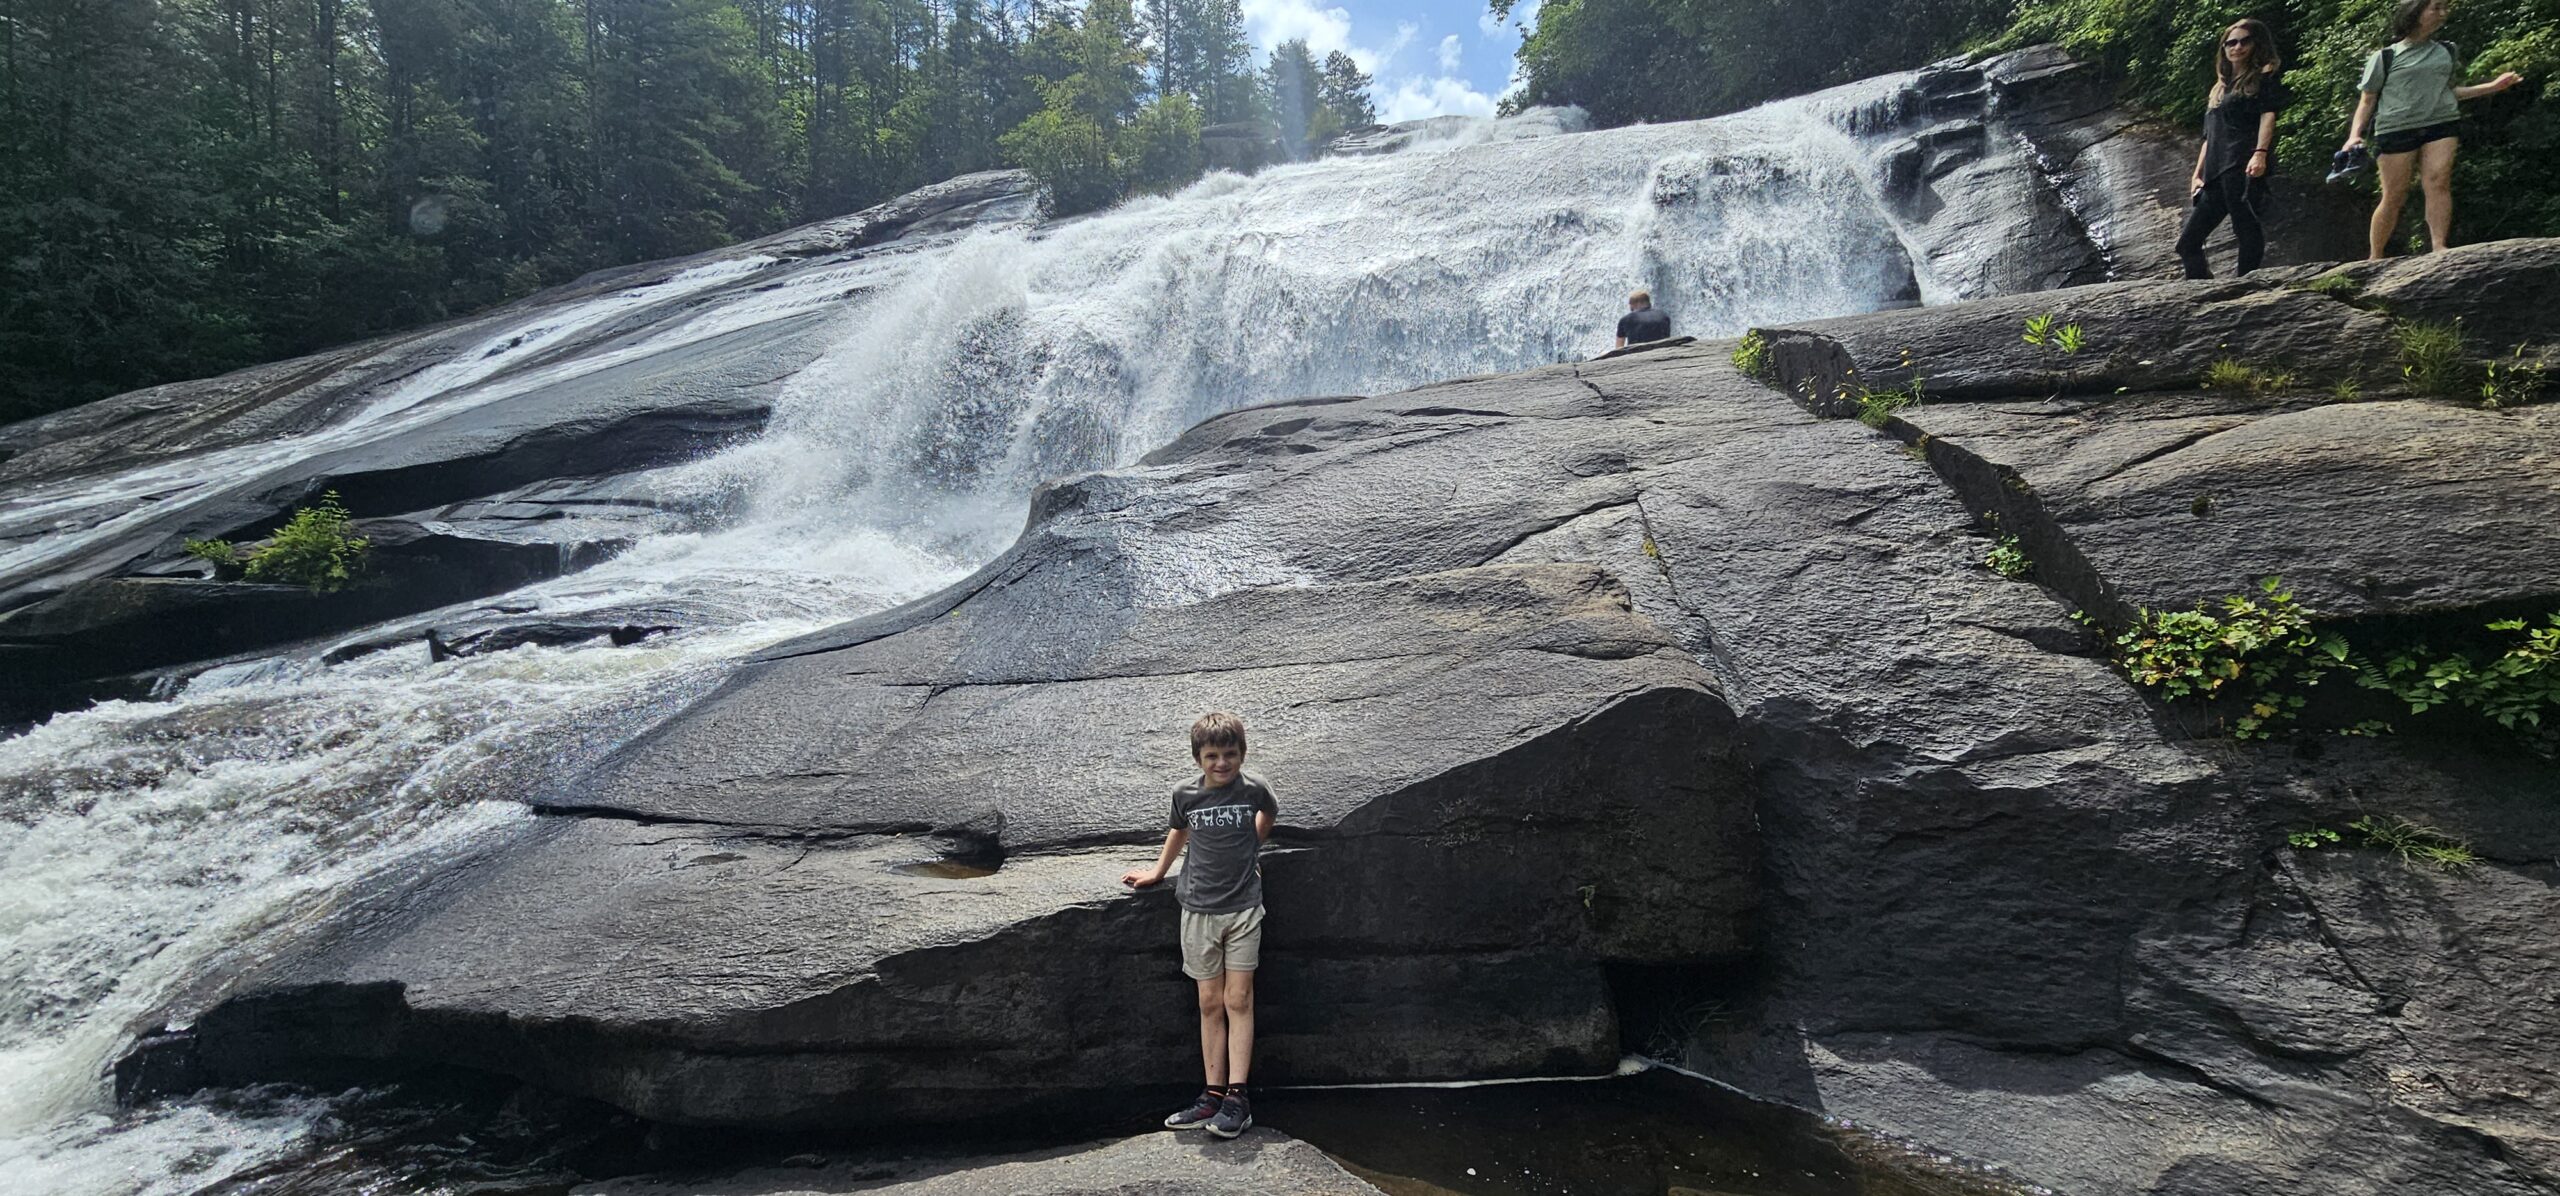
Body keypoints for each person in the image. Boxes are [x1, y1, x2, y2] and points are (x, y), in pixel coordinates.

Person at [1120, 711, 1278, 1140]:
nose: (1221, 764)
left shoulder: (1253, 790)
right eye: (1212, 755)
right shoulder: (1185, 794)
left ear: (1242, 754)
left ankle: (1237, 1097)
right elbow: (1178, 831)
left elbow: (1268, 815)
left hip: (1244, 908)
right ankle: (1211, 1094)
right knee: (1210, 1002)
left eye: (1230, 754)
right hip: (1198, 911)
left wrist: (1251, 846)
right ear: (1198, 758)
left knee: (1238, 999)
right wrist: (1157, 872)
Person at [2341, 0, 2525, 258]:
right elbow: (2368, 100)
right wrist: (2354, 135)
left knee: (2438, 182)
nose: (2443, 13)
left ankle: (2439, 246)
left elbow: (2448, 92)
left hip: (2441, 123)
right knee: (2394, 196)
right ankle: (2375, 256)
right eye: (2436, 8)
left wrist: (2493, 87)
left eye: (2444, 8)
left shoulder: (2447, 51)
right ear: (2415, 13)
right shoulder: (2384, 57)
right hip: (2396, 128)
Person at [2177, 19, 2287, 278]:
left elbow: (2268, 117)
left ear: (2255, 44)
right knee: (2187, 244)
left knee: (2245, 226)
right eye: (2231, 42)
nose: (2237, 47)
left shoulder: (2263, 77)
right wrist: (2197, 173)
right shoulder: (2219, 87)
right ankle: (2203, 293)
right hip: (2216, 170)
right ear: (2224, 48)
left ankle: (2244, 285)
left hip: (2241, 163)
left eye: (2244, 41)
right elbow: (2208, 136)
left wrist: (2260, 153)